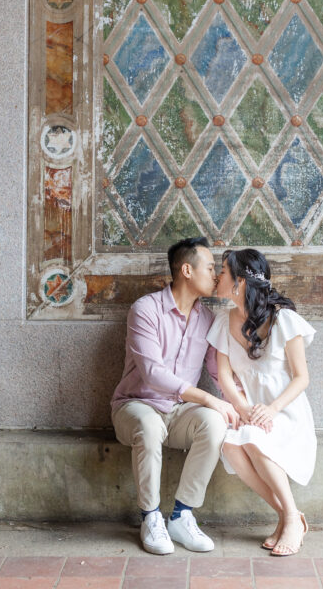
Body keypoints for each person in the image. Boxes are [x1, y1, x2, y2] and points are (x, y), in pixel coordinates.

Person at [111, 236, 239, 555]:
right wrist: (208, 398)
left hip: (179, 412)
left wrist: (240, 406)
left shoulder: (208, 317)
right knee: (151, 425)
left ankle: (181, 516)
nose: (215, 275)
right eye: (210, 268)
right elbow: (153, 373)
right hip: (135, 406)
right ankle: (150, 517)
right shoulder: (145, 309)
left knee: (214, 421)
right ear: (186, 270)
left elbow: (215, 370)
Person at [208, 248, 316, 557]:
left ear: (240, 282)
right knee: (229, 444)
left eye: (223, 272)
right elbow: (225, 377)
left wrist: (270, 409)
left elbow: (301, 378)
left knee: (253, 439)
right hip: (251, 410)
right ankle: (288, 515)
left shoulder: (285, 320)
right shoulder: (223, 320)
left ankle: (291, 518)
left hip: (285, 412)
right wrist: (244, 409)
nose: (217, 276)